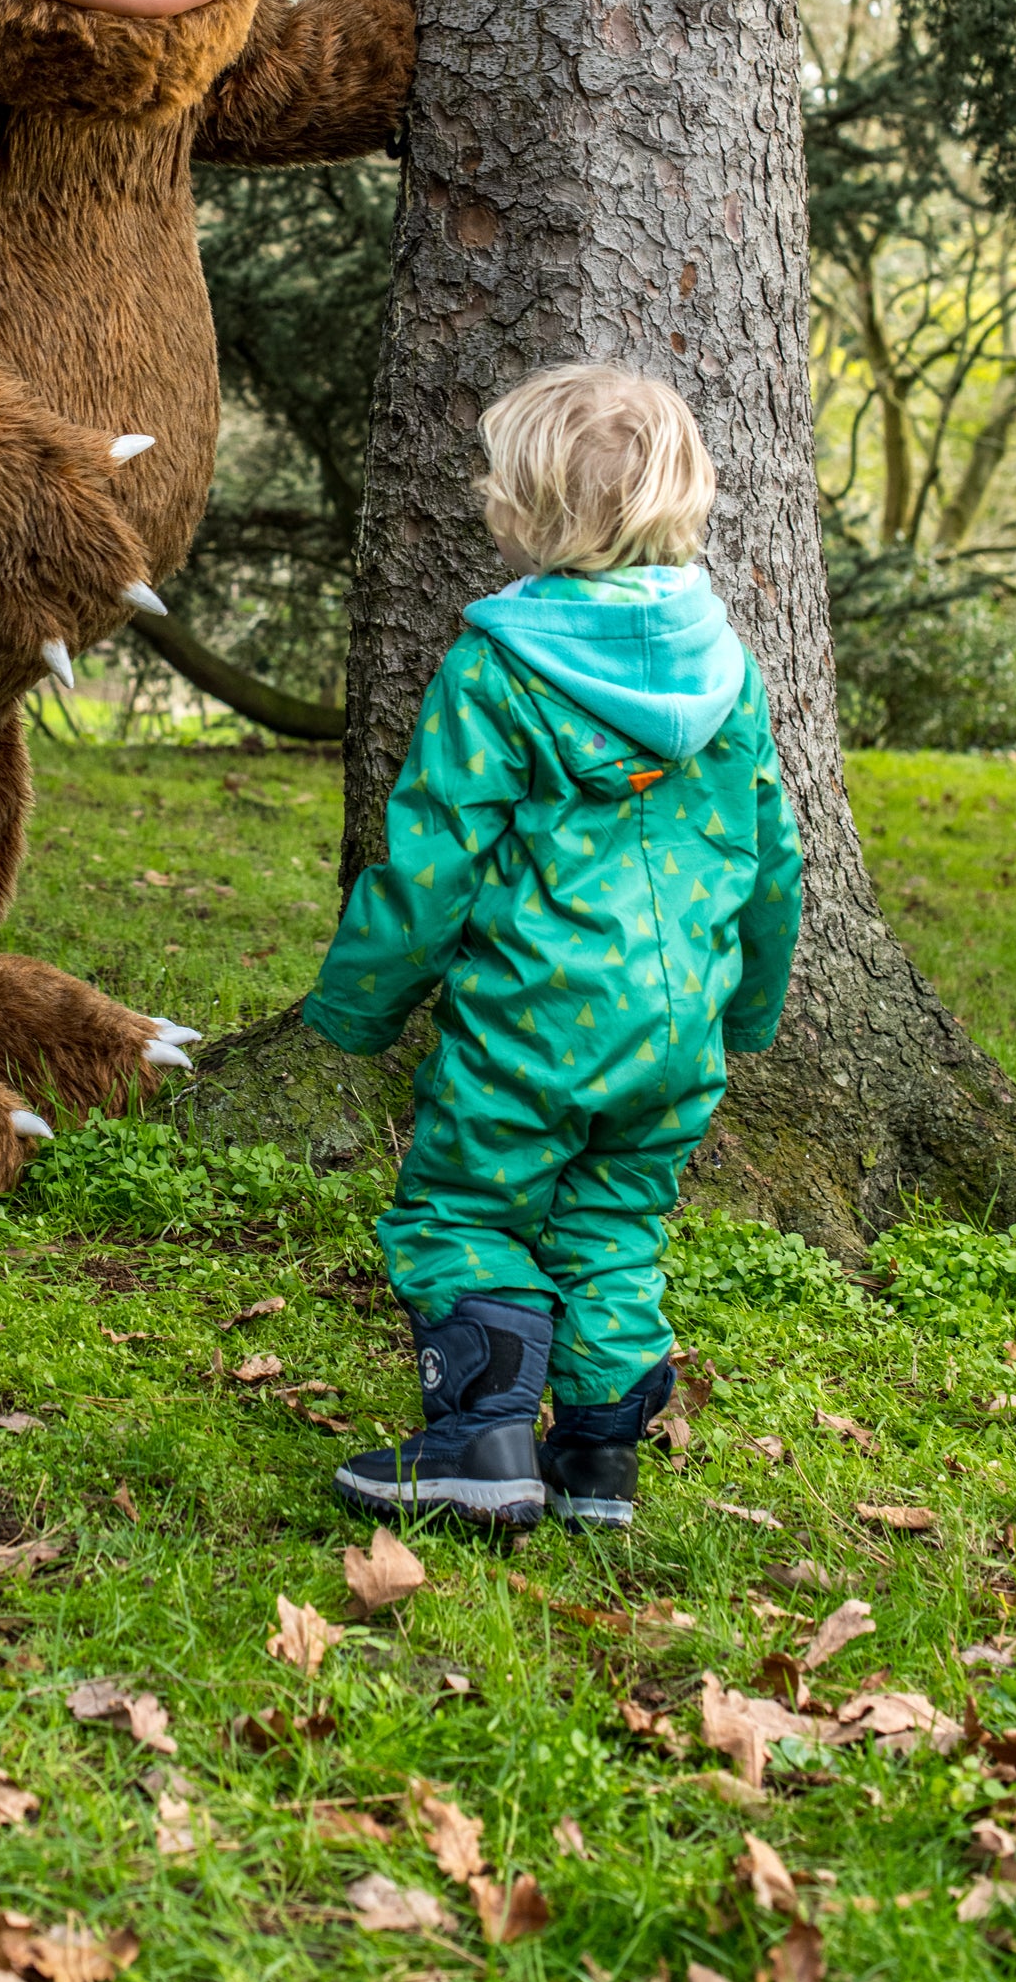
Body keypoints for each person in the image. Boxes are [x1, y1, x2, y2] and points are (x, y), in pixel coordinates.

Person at [302, 363, 802, 1534]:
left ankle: (478, 1442)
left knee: (465, 1207)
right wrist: (751, 1009)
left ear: (525, 511)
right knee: (613, 1222)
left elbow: (430, 869)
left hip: (536, 1022)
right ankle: (596, 1467)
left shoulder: (497, 666)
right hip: (678, 1037)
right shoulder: (728, 671)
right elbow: (774, 861)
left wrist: (355, 1004)